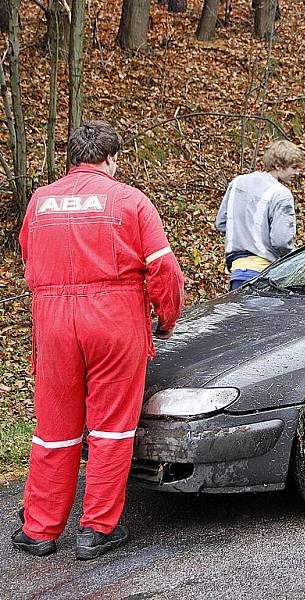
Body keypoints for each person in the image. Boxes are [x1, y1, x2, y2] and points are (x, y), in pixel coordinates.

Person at [12, 121, 184, 560]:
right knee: (111, 429)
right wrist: (166, 319)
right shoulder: (129, 201)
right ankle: (95, 530)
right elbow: (164, 271)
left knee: (54, 430)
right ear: (111, 158)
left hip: (52, 322)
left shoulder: (40, 201)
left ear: (72, 158)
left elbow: (29, 257)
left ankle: (40, 531)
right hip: (113, 319)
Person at [215, 140, 304, 290]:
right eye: (293, 168)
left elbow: (221, 223)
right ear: (277, 165)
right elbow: (281, 241)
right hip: (264, 275)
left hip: (237, 273)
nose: (297, 173)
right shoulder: (281, 194)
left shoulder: (238, 182)